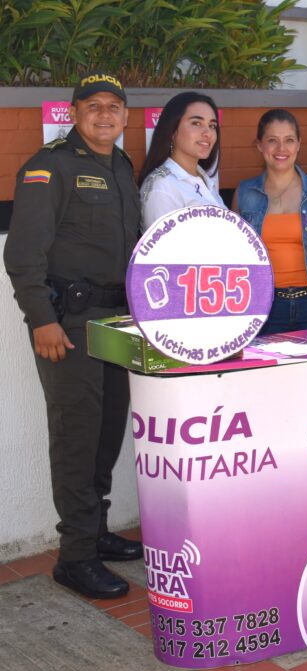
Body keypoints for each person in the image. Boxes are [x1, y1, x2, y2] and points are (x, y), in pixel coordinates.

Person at [3, 72, 142, 599]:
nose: (104, 114)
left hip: (117, 323)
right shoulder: (49, 166)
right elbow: (22, 254)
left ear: (125, 116)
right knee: (77, 439)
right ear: (74, 112)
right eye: (93, 106)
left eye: (113, 107)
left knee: (107, 434)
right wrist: (41, 318)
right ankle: (75, 556)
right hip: (70, 326)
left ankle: (96, 531)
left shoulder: (123, 166)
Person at [235, 109, 307, 334]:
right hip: (263, 309)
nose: (281, 149)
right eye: (272, 140)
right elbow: (235, 260)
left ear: (298, 144)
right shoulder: (244, 193)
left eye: (289, 140)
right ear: (259, 145)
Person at [138, 91, 224, 228]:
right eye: (196, 123)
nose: (208, 133)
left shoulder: (203, 177)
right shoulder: (162, 187)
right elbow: (163, 247)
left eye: (212, 126)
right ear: (172, 129)